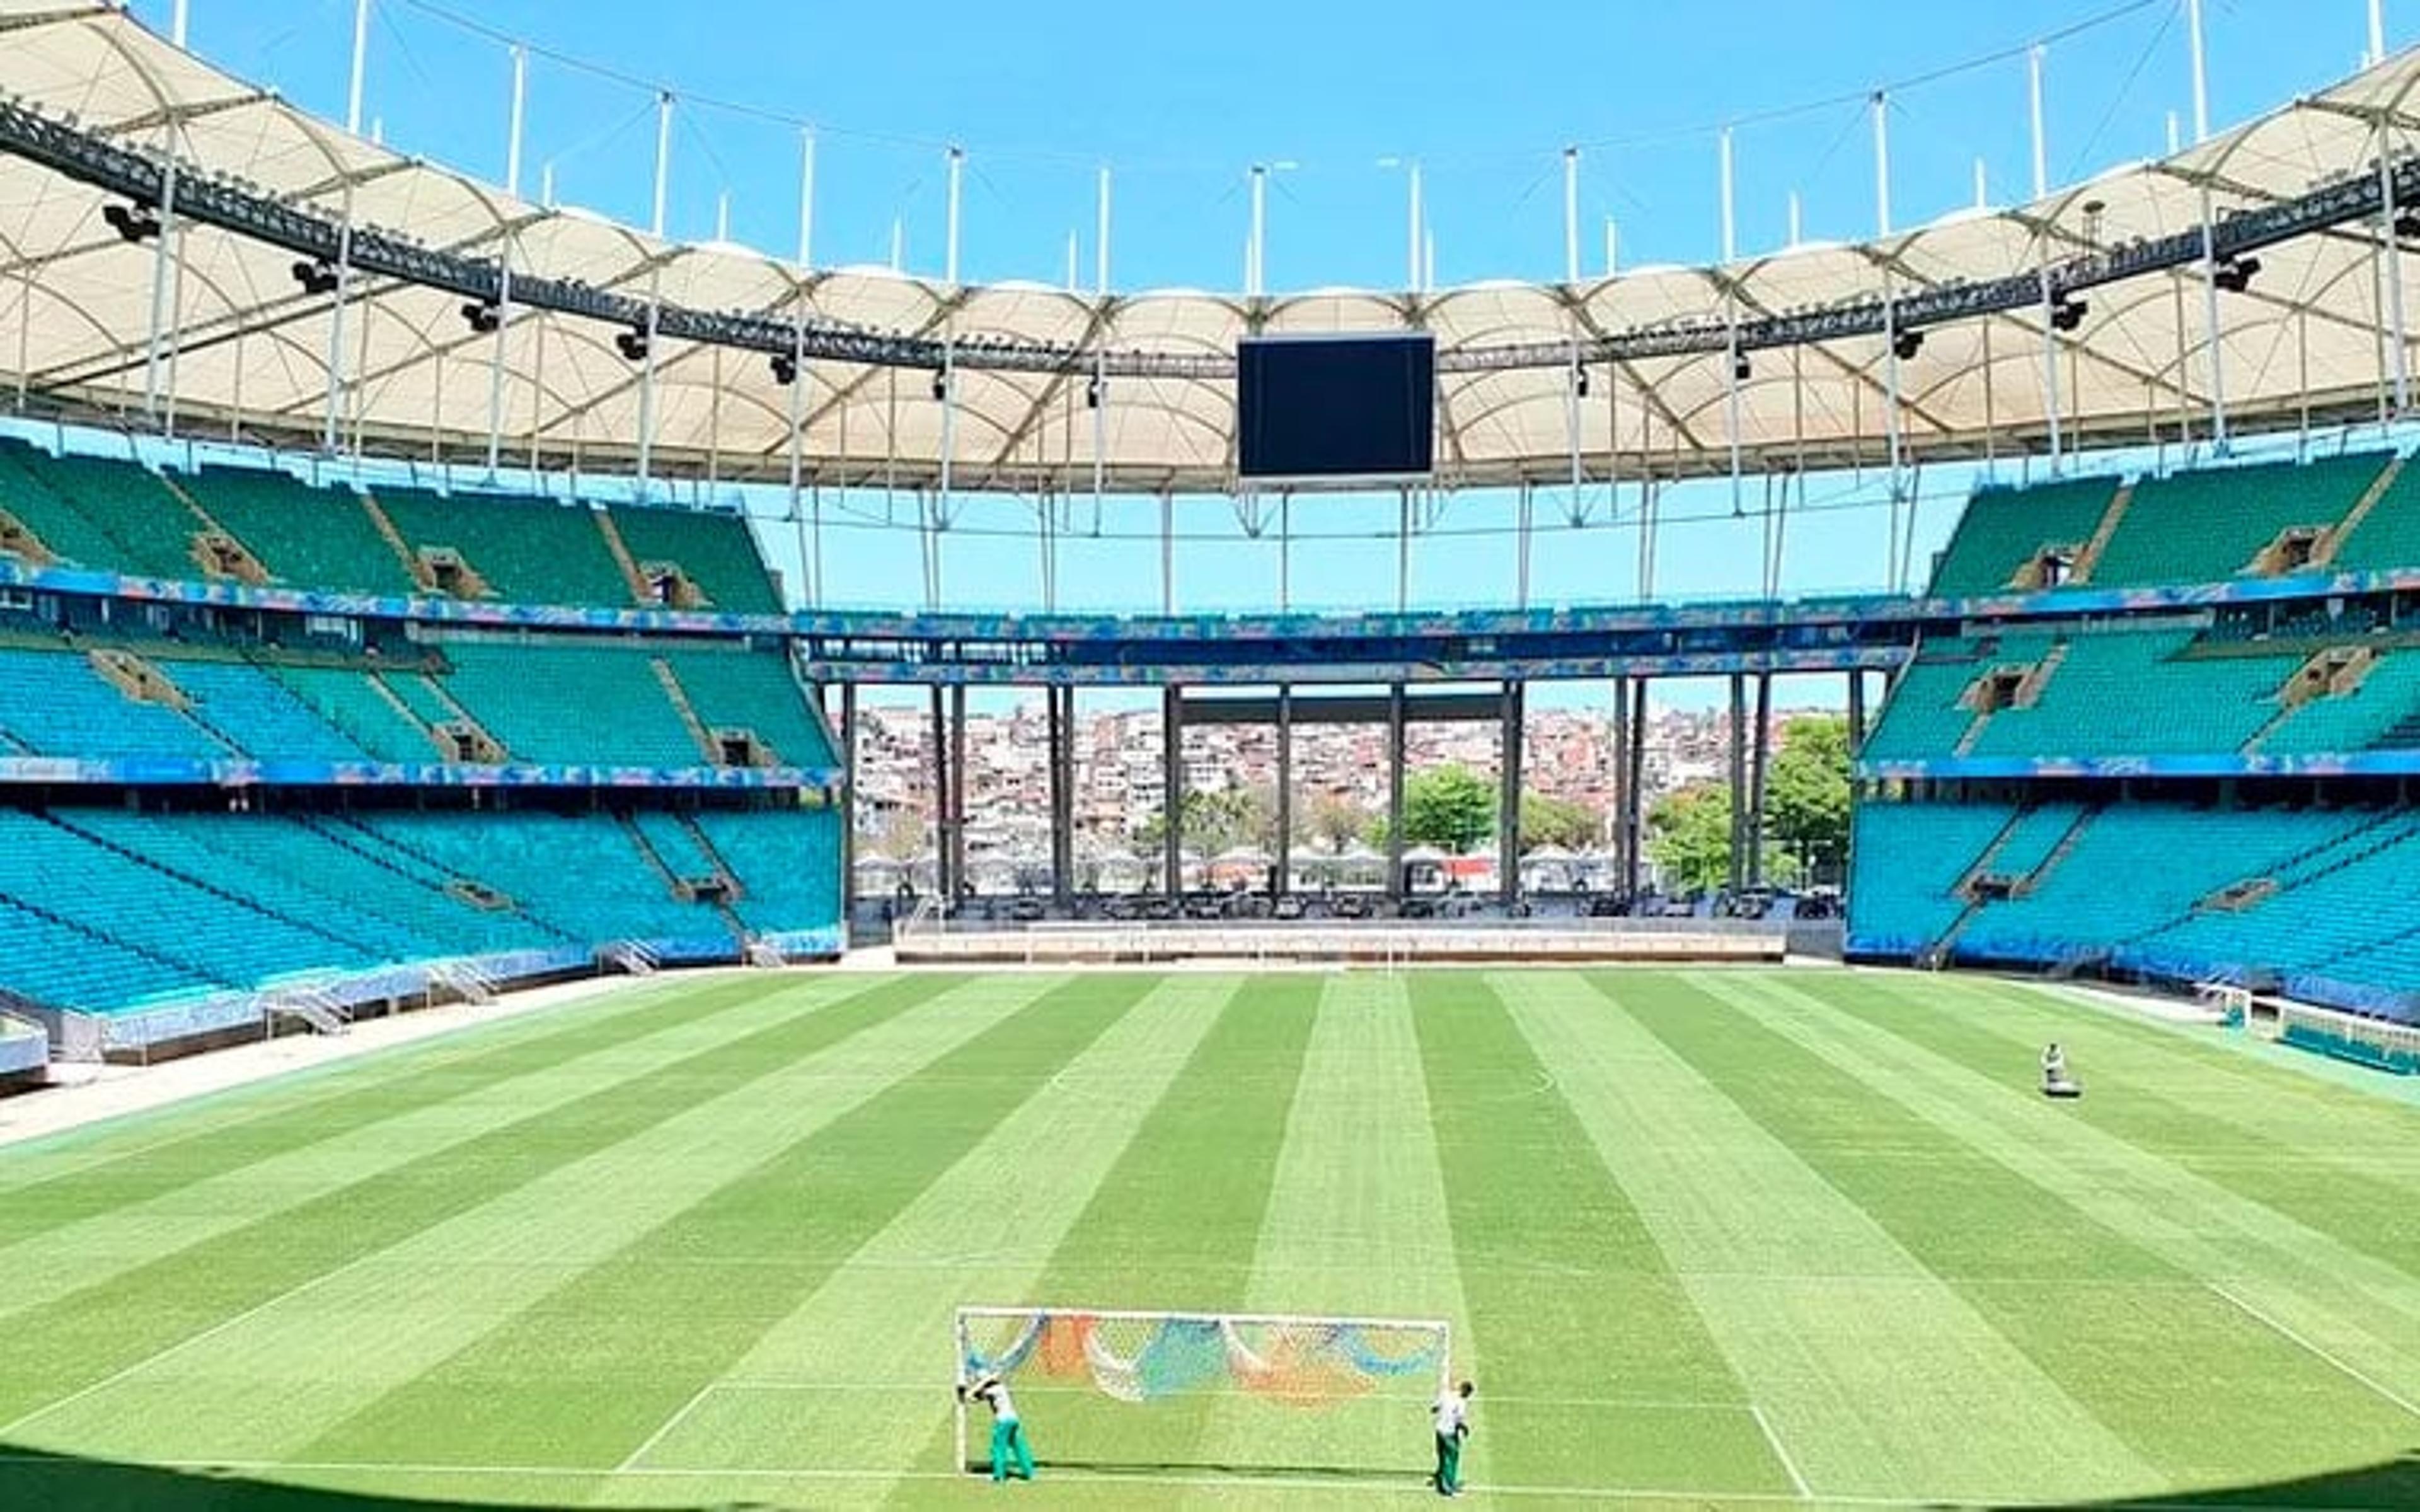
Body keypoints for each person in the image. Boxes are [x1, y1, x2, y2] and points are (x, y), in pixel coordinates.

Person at [960, 1372, 1034, 1484]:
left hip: (1003, 1422)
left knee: (999, 1449)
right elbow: (973, 1399)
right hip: (1014, 1420)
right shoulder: (999, 1388)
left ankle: (999, 1476)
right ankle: (1029, 1472)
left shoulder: (994, 1390)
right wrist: (966, 1395)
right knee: (1019, 1446)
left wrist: (973, 1387)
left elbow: (971, 1394)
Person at [1431, 1378, 1474, 1497]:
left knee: (1442, 1456)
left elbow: (1434, 1408)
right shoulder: (1461, 1402)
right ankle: (1448, 1487)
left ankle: (1441, 1477)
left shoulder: (1447, 1395)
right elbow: (1459, 1421)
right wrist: (1465, 1429)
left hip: (1439, 1430)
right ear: (1466, 1392)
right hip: (1449, 1433)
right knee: (1452, 1458)